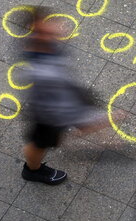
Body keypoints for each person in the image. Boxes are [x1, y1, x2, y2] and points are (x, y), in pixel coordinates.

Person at [20, 6, 121, 185]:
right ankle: (32, 171)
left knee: (43, 140)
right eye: (47, 25)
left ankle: (34, 163)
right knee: (40, 143)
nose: (57, 25)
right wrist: (91, 121)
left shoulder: (44, 47)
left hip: (56, 103)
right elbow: (60, 106)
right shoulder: (44, 72)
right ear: (37, 31)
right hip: (49, 115)